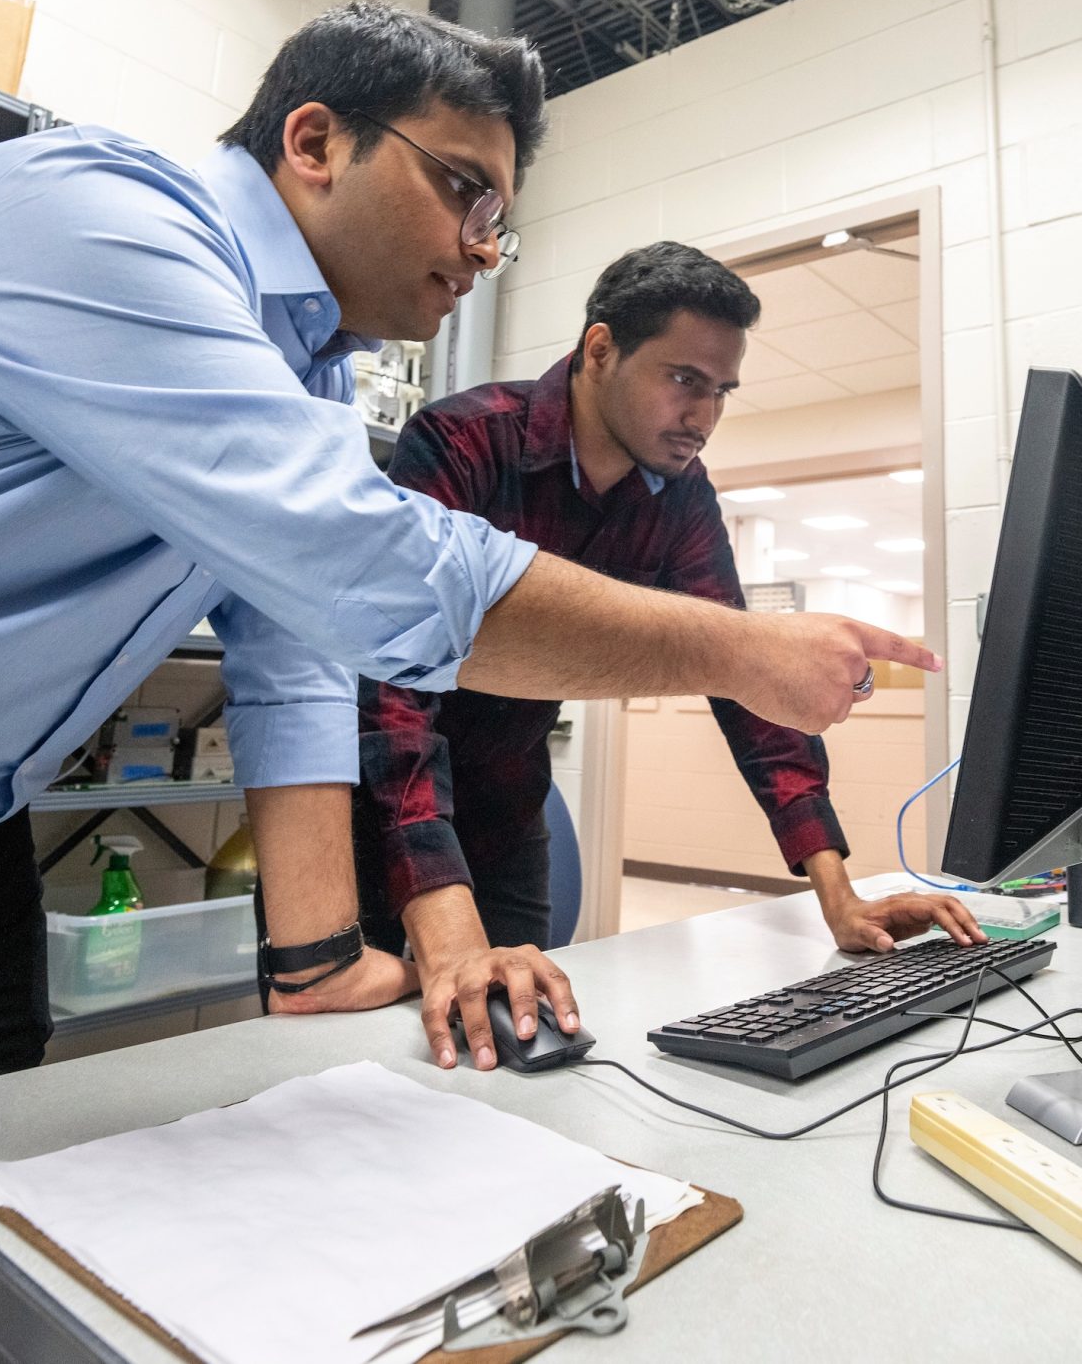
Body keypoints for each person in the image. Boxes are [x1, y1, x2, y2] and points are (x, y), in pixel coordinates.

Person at [0, 3, 932, 1364]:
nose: (489, 248)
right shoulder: (100, 216)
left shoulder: (295, 377)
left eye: (507, 215)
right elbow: (372, 569)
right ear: (314, 140)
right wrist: (740, 646)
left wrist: (314, 954)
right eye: (465, 192)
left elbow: (299, 646)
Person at [358, 241, 985, 1073]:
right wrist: (449, 933)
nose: (705, 414)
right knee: (361, 1068)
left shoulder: (681, 497)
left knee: (505, 1065)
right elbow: (394, 688)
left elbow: (746, 682)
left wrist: (841, 896)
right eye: (684, 378)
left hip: (507, 813)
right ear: (600, 348)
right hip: (377, 811)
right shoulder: (464, 441)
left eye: (722, 390)